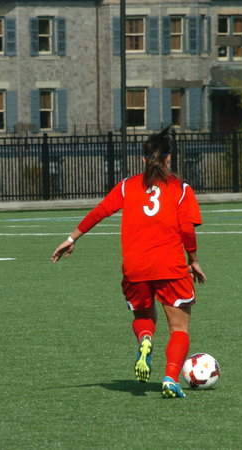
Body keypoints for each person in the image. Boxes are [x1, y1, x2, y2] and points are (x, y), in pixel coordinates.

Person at [51, 127, 207, 398]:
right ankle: (170, 378)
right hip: (170, 265)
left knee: (144, 317)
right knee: (179, 328)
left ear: (143, 159)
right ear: (169, 158)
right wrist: (192, 260)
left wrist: (72, 237)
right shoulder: (181, 189)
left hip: (135, 267)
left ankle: (145, 338)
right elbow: (187, 231)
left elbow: (100, 211)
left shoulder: (127, 186)